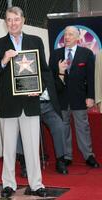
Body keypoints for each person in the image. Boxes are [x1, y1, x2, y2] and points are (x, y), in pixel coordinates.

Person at [0, 6, 51, 198]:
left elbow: (45, 71)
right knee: (9, 148)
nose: (13, 23)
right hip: (8, 105)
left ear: (23, 20)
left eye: (16, 19)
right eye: (9, 19)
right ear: (5, 23)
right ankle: (8, 184)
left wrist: (39, 88)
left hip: (30, 104)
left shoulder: (36, 41)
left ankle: (37, 184)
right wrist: (4, 60)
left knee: (32, 148)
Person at [50, 25, 99, 168]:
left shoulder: (87, 53)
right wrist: (60, 72)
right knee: (63, 127)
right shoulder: (55, 54)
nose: (67, 37)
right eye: (65, 34)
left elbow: (91, 77)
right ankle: (66, 156)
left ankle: (88, 155)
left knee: (83, 127)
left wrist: (90, 96)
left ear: (78, 37)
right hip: (61, 98)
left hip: (79, 97)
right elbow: (51, 78)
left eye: (70, 34)